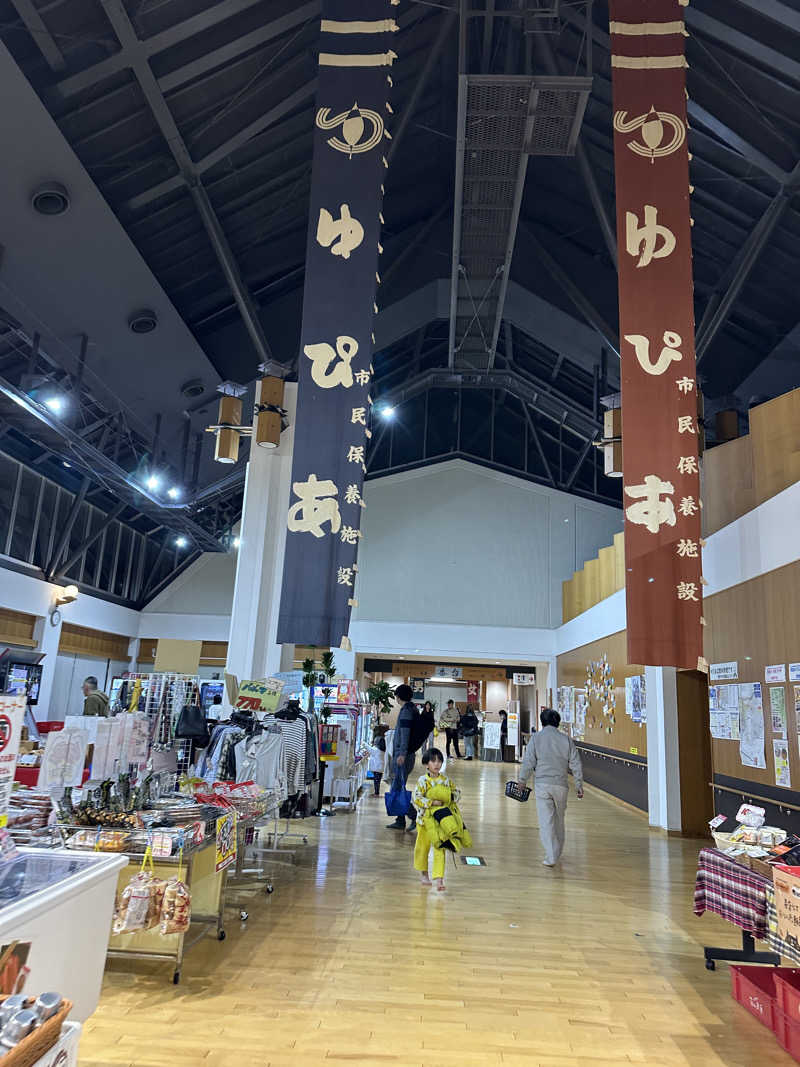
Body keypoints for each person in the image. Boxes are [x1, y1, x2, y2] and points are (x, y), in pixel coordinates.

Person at [517, 708, 583, 867]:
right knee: (559, 820)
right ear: (557, 722)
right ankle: (557, 852)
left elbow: (529, 761)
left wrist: (522, 780)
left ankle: (551, 855)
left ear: (542, 722)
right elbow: (575, 763)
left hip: (542, 784)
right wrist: (579, 785)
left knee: (546, 821)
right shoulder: (566, 740)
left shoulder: (536, 738)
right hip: (561, 786)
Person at [412, 748, 472, 892]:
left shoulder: (445, 780)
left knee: (440, 847)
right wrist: (432, 802)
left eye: (439, 761)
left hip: (441, 822)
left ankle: (439, 878)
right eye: (433, 761)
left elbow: (456, 793)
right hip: (424, 821)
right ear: (426, 764)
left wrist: (448, 798)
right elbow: (416, 798)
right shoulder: (422, 781)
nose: (437, 764)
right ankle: (424, 874)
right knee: (422, 848)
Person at [386, 684, 421, 832]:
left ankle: (414, 817)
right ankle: (400, 820)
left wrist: (401, 753)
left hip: (403, 756)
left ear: (399, 696)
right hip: (406, 754)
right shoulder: (411, 709)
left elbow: (405, 734)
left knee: (398, 787)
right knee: (397, 787)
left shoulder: (406, 711)